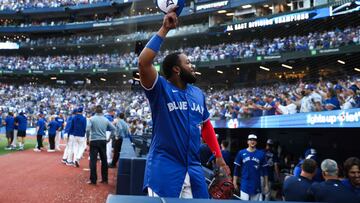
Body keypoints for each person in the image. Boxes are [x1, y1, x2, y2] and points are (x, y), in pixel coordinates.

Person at [138, 9, 229, 198]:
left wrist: (219, 157)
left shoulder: (197, 93)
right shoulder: (160, 89)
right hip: (165, 168)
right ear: (177, 69)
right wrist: (164, 28)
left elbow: (206, 126)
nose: (193, 65)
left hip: (194, 168)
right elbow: (143, 63)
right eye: (188, 63)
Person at [233, 134, 268, 201]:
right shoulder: (241, 153)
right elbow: (236, 170)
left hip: (256, 184)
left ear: (256, 142)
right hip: (245, 184)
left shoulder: (261, 154)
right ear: (247, 142)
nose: (252, 141)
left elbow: (265, 171)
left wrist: (266, 185)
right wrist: (234, 182)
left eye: (254, 140)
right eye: (250, 140)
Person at [87, 105, 116, 185]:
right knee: (104, 160)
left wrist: (87, 139)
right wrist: (109, 138)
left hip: (94, 141)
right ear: (102, 111)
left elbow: (88, 129)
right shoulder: (106, 119)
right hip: (103, 141)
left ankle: (93, 180)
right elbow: (114, 128)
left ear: (95, 111)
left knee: (93, 161)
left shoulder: (91, 119)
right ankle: (105, 179)